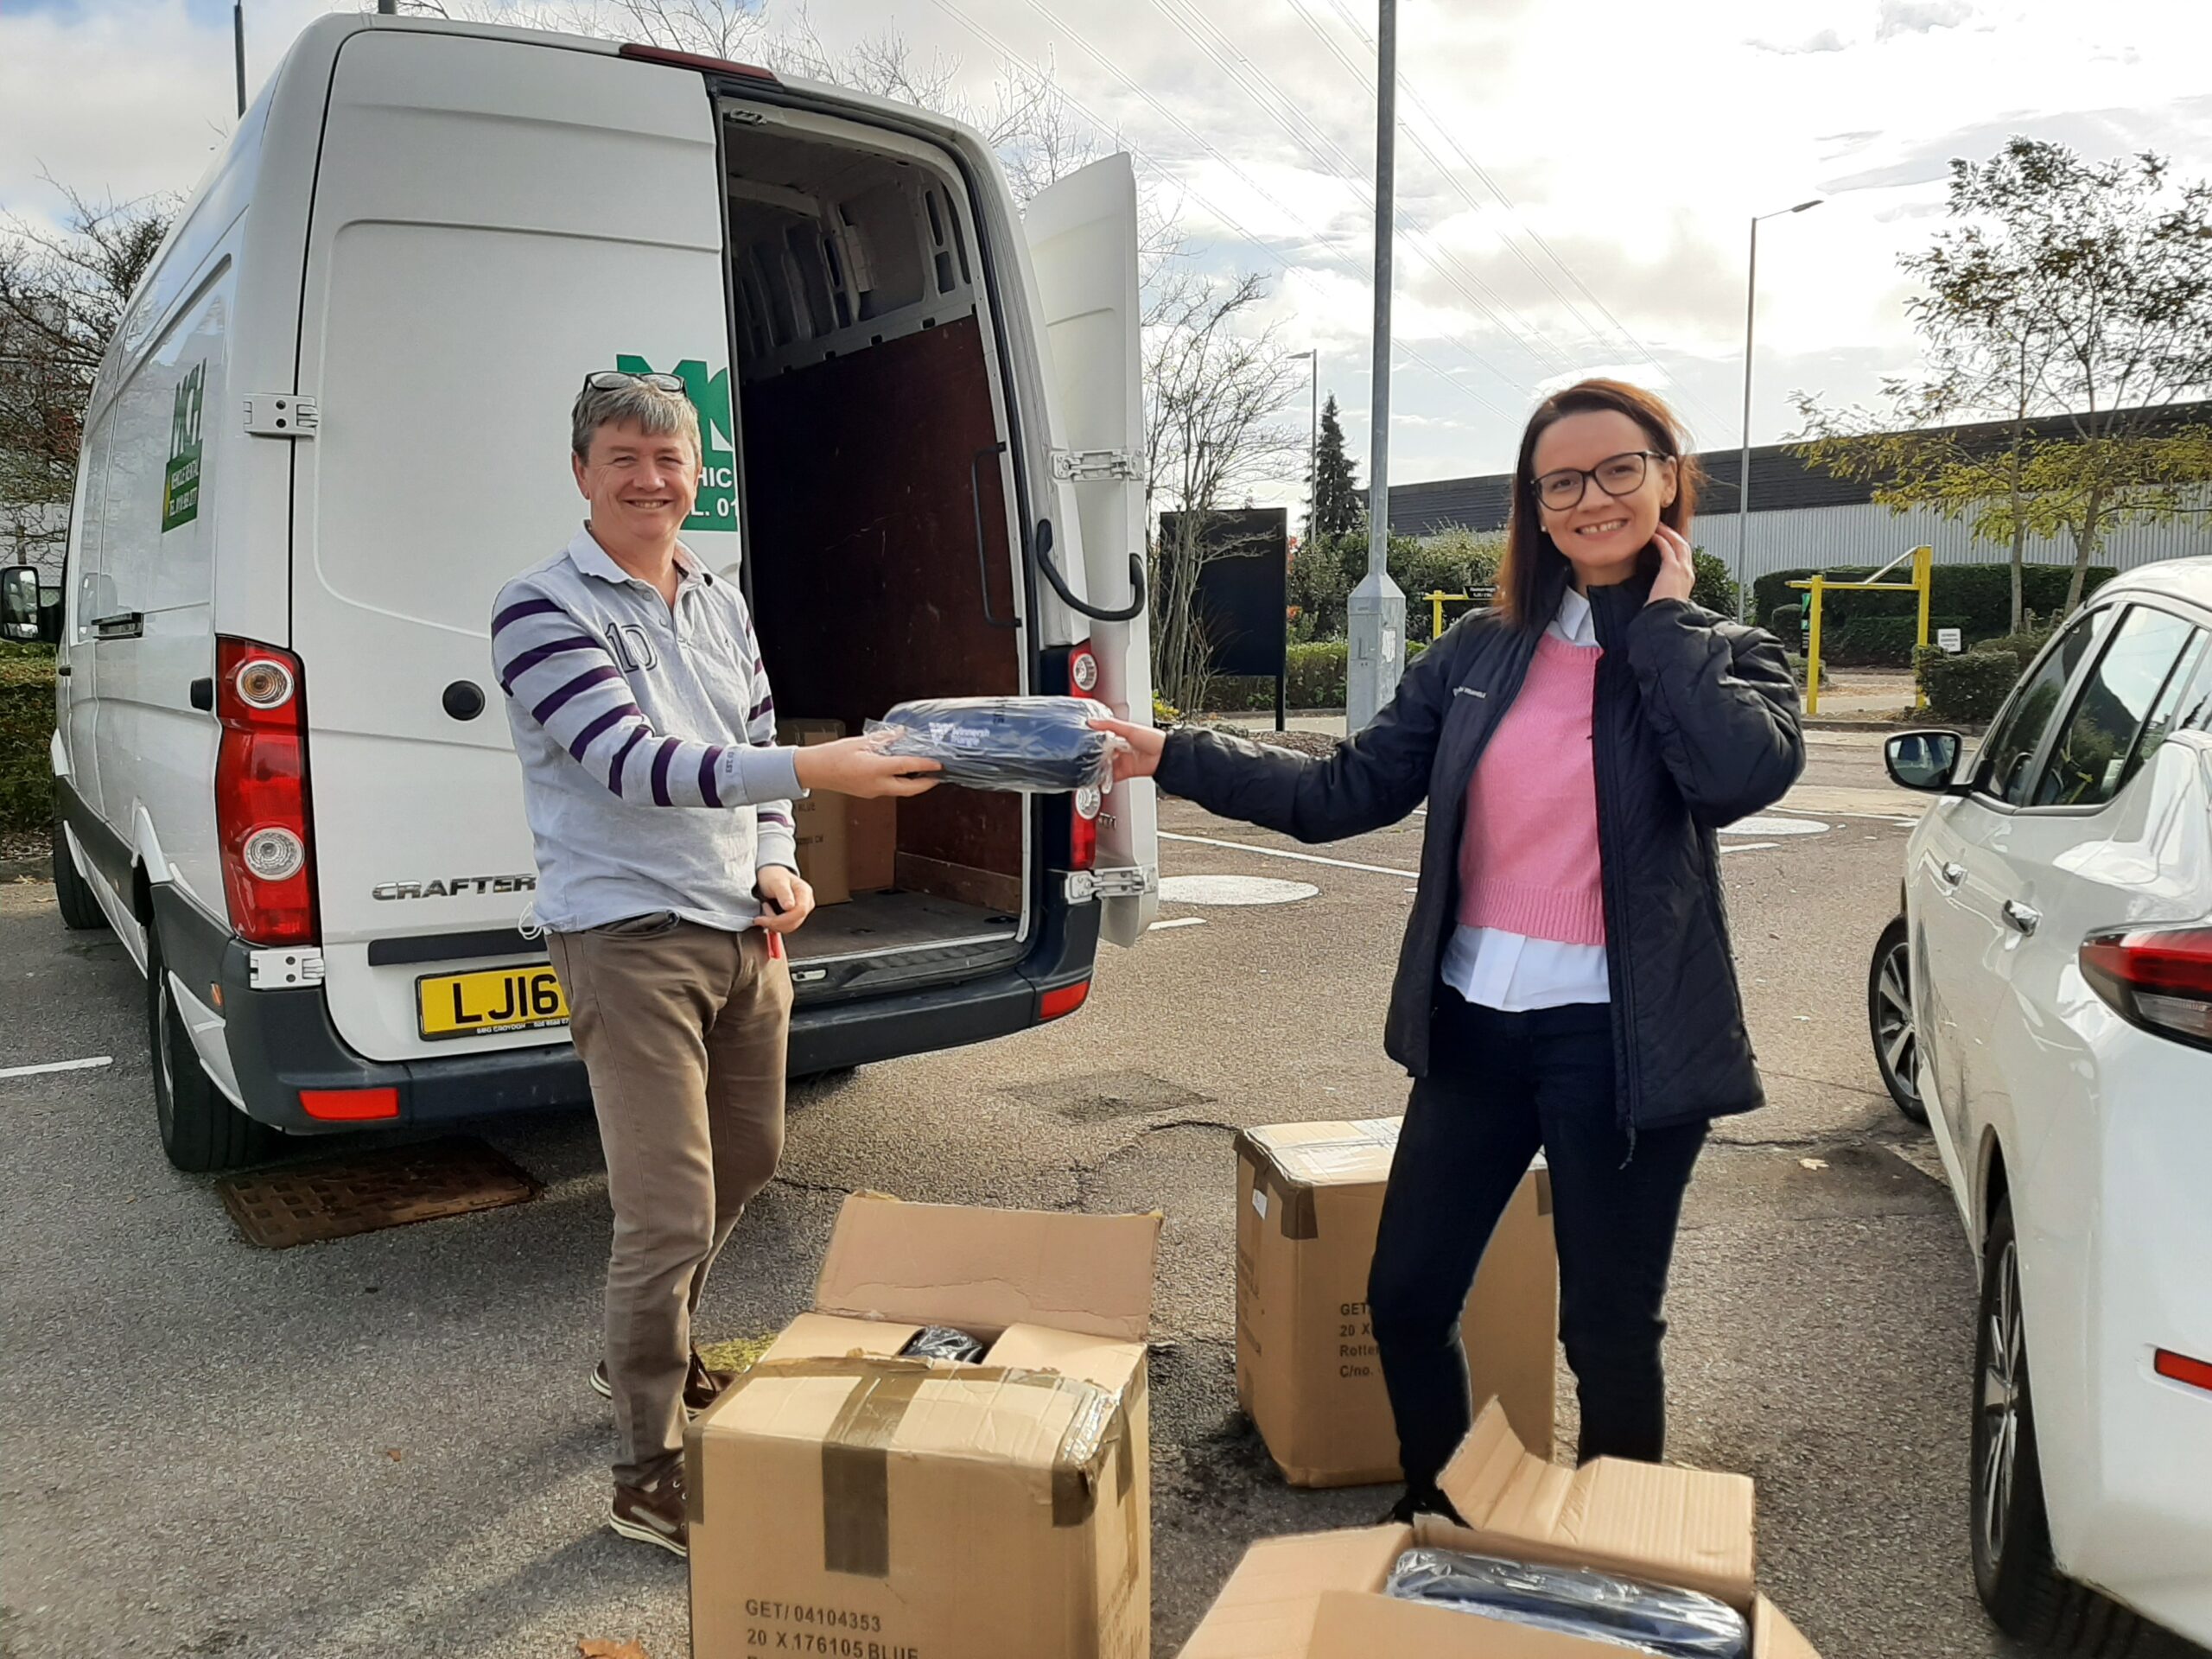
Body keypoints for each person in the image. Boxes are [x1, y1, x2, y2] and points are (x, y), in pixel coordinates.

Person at [1096, 379, 1802, 1516]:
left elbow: (1733, 777)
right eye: (1561, 481)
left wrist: (1664, 625)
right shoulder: (1483, 647)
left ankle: (1616, 1561)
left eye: (1619, 469)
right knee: (1407, 1297)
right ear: (1536, 505)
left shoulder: (1727, 652)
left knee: (1609, 1332)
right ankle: (1443, 1508)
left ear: (1669, 480)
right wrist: (1173, 753)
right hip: (1476, 1028)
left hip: (1622, 1045)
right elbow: (1344, 789)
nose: (1591, 497)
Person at [491, 372, 939, 1556]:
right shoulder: (539, 608)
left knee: (750, 1158)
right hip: (626, 938)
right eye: (623, 458)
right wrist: (821, 772)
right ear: (582, 472)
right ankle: (645, 1470)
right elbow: (631, 762)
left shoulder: (717, 597)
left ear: (696, 476)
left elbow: (752, 740)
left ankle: (647, 1347)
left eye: (669, 459)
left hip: (745, 930)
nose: (649, 479)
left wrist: (781, 857)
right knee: (668, 1208)